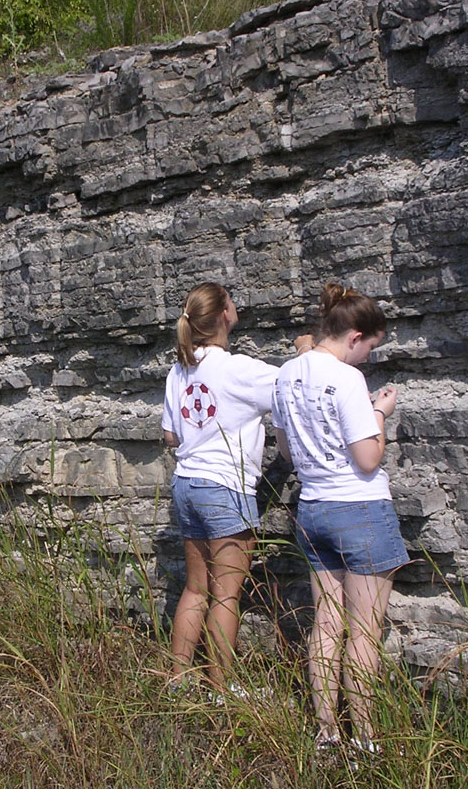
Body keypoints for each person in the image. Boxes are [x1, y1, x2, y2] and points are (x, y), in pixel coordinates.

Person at [271, 281, 409, 750]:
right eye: (370, 347)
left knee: (326, 624)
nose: (368, 358)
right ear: (354, 336)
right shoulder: (348, 379)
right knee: (365, 633)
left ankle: (328, 733)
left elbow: (287, 451)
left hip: (313, 509)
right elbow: (368, 459)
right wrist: (379, 413)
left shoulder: (286, 375)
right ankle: (367, 738)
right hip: (361, 509)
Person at [162, 281, 310, 694]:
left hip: (187, 483)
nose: (236, 305)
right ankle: (220, 691)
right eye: (232, 300)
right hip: (225, 487)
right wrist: (304, 352)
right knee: (226, 596)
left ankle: (177, 679)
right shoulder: (238, 369)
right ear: (225, 313)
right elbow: (293, 385)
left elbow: (171, 436)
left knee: (195, 588)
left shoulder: (180, 368)